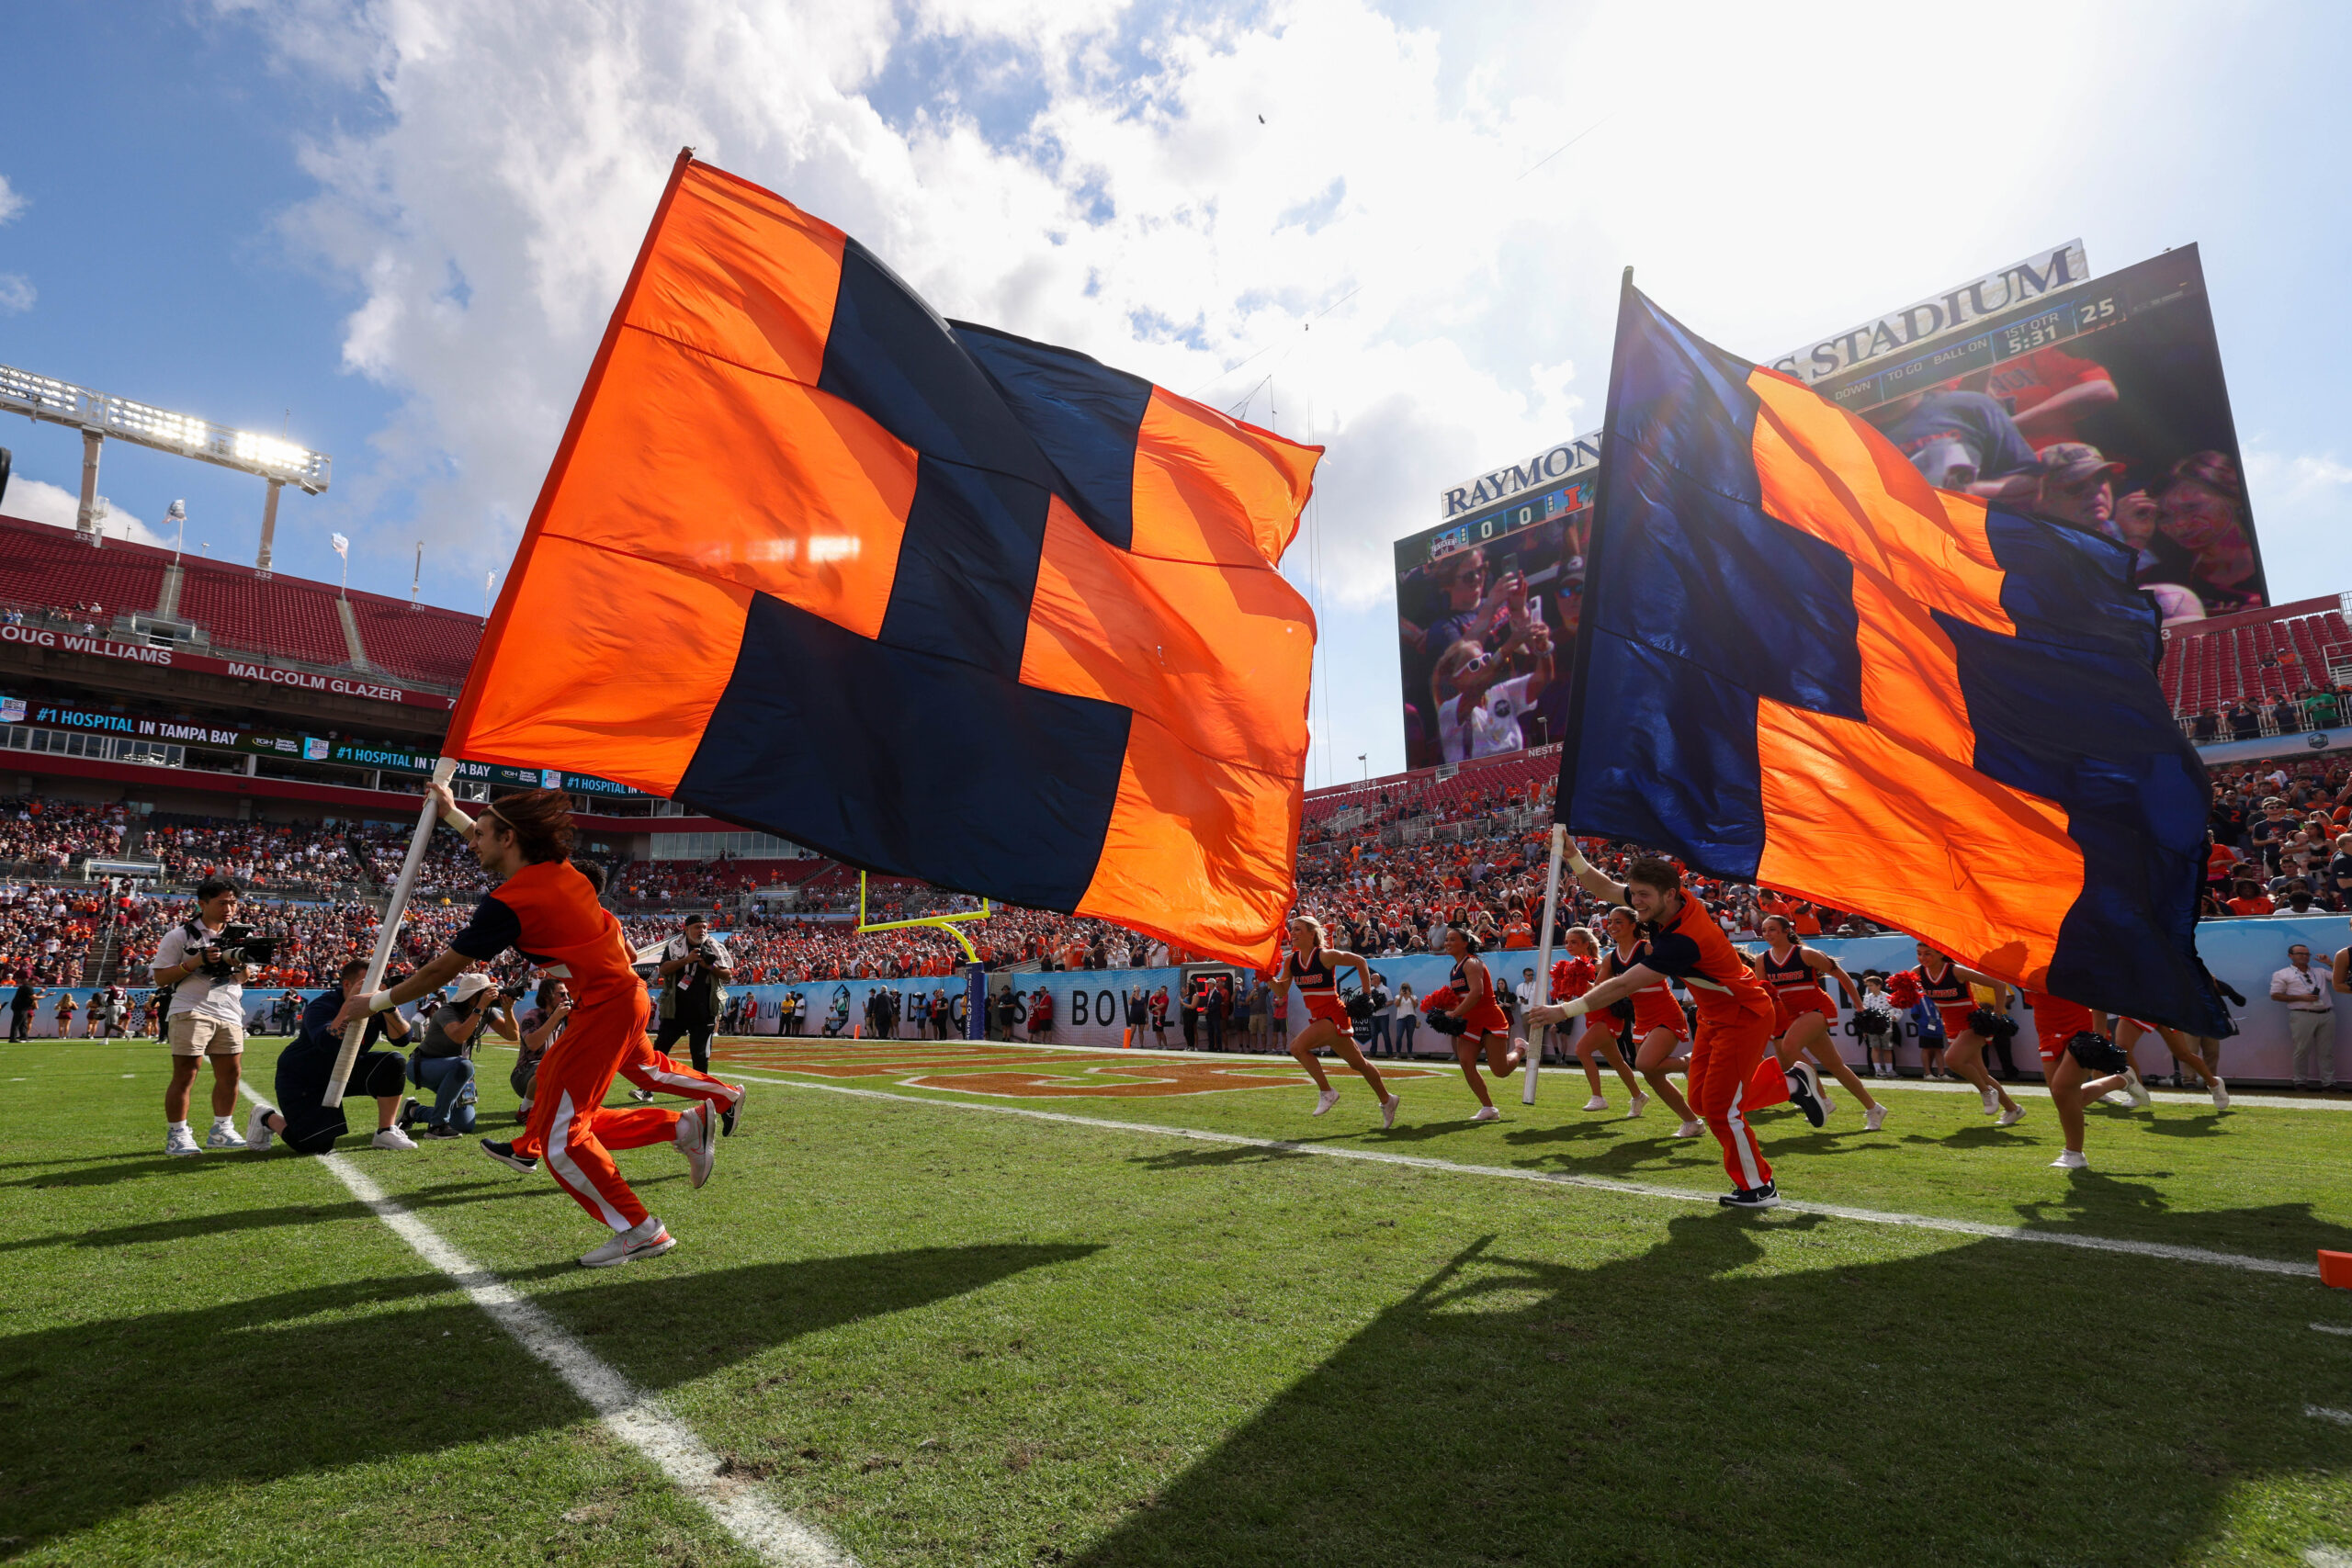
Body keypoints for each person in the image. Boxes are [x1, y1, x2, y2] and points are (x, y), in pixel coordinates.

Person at [335, 785, 703, 1269]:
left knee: (558, 1136)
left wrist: (375, 1001)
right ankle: (683, 1127)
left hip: (607, 1006)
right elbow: (496, 842)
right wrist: (453, 815)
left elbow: (438, 973)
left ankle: (640, 1228)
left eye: (482, 835)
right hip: (613, 1002)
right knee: (554, 1116)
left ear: (509, 838)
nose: (472, 842)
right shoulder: (556, 872)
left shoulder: (509, 902)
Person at [1530, 851, 1799, 1207]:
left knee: (1720, 1110)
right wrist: (1574, 856)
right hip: (1714, 1014)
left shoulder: (1684, 938)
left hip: (1742, 1013)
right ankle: (1794, 1083)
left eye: (1643, 896)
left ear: (1670, 894)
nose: (1635, 902)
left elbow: (1625, 984)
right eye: (1635, 893)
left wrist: (1563, 1010)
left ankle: (1759, 1188)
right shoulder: (1664, 901)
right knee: (1701, 1101)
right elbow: (1606, 887)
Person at [243, 957, 418, 1155]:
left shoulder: (376, 1005)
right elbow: (328, 1042)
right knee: (315, 1146)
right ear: (347, 985)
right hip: (304, 1075)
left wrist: (388, 1007)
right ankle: (266, 1117)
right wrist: (352, 1003)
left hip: (344, 1067)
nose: (373, 990)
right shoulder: (322, 1006)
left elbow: (403, 1039)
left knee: (393, 1062)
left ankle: (386, 1131)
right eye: (367, 984)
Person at [147, 875, 260, 1156]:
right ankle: (177, 1134)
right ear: (202, 903)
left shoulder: (241, 935)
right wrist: (195, 962)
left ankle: (221, 1129)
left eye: (233, 902)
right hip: (190, 1007)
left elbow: (246, 977)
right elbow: (160, 977)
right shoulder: (179, 936)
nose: (229, 908)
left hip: (230, 1008)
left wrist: (242, 969)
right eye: (223, 902)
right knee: (187, 1073)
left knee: (232, 1074)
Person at [1753, 915, 1885, 1132]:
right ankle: (1874, 1108)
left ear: (1787, 931)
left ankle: (1822, 1099)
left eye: (1773, 930)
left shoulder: (1805, 954)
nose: (1767, 934)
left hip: (1818, 1009)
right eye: (1765, 930)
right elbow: (1765, 993)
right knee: (1835, 1066)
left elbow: (1842, 976)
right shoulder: (1762, 960)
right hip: (1793, 1014)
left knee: (1789, 1047)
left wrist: (1860, 1006)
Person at [1279, 917, 1400, 1127]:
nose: (1293, 933)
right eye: (1292, 929)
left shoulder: (1325, 956)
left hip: (1334, 1015)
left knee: (1297, 1047)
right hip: (1319, 1017)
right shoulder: (1291, 961)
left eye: (1298, 929)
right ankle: (1388, 1099)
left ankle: (1327, 1091)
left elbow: (1360, 962)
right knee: (1358, 1064)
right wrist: (1267, 978)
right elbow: (1280, 990)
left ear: (1311, 933)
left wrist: (1367, 995)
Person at [1596, 907, 1700, 1137]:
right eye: (1610, 922)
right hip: (1642, 1017)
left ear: (1634, 925)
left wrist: (1623, 980)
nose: (1612, 926)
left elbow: (1663, 973)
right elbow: (1598, 991)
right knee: (1652, 1075)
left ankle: (1688, 1062)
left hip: (1665, 1011)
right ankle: (1692, 1122)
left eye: (1618, 921)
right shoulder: (1611, 958)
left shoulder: (1647, 948)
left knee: (1644, 1064)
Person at [1909, 945, 2023, 1123]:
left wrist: (1998, 1016)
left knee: (1953, 1060)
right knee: (1981, 1074)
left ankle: (1986, 1092)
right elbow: (1907, 992)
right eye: (1919, 954)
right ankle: (2013, 1109)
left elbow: (1999, 985)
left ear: (1941, 954)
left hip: (1973, 1023)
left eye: (1928, 954)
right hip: (1951, 1025)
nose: (1923, 958)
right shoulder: (1917, 972)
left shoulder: (1956, 971)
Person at [399, 972, 515, 1139]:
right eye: (484, 993)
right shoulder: (447, 1011)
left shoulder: (484, 1011)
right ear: (471, 996)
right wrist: (480, 1008)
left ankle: (414, 1111)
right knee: (465, 1065)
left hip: (454, 1071)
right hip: (424, 1066)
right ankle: (437, 1127)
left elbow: (512, 1036)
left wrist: (508, 1010)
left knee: (463, 1124)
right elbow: (459, 1036)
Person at [2024, 990, 2132, 1172]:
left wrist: (2097, 1035)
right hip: (2047, 1032)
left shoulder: (2064, 963)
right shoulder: (2018, 966)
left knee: (2062, 1091)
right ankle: (2121, 1080)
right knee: (2068, 1100)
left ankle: (2074, 1154)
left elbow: (2096, 991)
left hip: (2082, 1030)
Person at [1429, 924, 1523, 1122]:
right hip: (1470, 1021)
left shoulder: (1472, 963)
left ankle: (1521, 1049)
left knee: (1500, 1071)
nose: (1447, 943)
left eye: (1452, 939)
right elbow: (1460, 997)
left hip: (1489, 1018)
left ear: (1465, 943)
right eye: (1446, 940)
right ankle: (1488, 1107)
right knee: (1465, 1062)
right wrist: (1441, 1009)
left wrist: (1454, 1013)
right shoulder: (1455, 968)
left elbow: (1477, 992)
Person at [1555, 927, 1644, 1114]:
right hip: (1592, 1018)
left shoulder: (1599, 965)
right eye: (1567, 942)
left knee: (1582, 1049)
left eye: (1574, 942)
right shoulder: (1573, 965)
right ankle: (1639, 1096)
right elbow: (1571, 998)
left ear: (1586, 944)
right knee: (1617, 1061)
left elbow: (1602, 992)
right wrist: (1564, 986)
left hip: (1608, 1016)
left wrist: (1580, 982)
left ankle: (1598, 1097)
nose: (1568, 946)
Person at [655, 915, 731, 1072]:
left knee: (700, 1055)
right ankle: (646, 1089)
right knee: (659, 1050)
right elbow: (663, 969)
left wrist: (709, 967)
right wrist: (686, 960)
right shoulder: (674, 946)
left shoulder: (715, 946)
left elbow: (727, 975)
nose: (702, 931)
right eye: (698, 927)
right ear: (686, 928)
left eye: (704, 927)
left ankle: (702, 1092)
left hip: (703, 1011)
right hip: (676, 1009)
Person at [2273, 942, 2335, 1091]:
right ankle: (2300, 1082)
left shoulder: (2320, 971)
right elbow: (2275, 995)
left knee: (2326, 1051)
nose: (2305, 956)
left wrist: (2330, 963)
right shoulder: (2282, 974)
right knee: (2302, 1050)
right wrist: (2300, 998)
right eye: (2300, 953)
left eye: (2307, 954)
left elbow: (2342, 978)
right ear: (2290, 956)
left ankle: (2329, 1083)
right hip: (2302, 1014)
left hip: (2326, 1014)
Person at [7, 975, 33, 1043]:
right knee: (16, 1023)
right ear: (32, 981)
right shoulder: (28, 987)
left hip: (21, 1007)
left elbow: (33, 996)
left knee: (23, 1023)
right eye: (36, 982)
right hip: (20, 1007)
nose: (37, 983)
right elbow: (34, 997)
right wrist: (46, 995)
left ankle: (23, 1037)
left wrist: (42, 992)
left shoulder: (25, 987)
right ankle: (13, 1038)